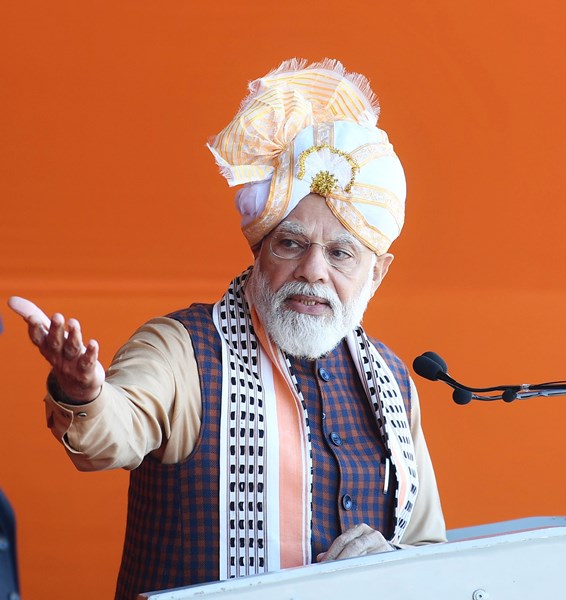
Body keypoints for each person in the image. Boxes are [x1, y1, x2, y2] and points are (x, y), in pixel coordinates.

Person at [9, 59, 446, 600]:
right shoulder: (181, 349)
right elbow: (110, 436)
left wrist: (392, 562)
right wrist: (86, 392)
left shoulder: (393, 382)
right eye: (291, 243)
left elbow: (432, 551)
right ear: (259, 249)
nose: (313, 270)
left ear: (376, 272)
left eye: (340, 253)